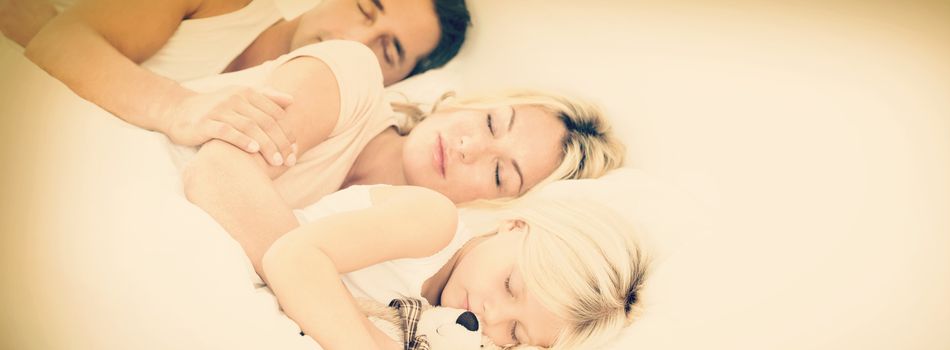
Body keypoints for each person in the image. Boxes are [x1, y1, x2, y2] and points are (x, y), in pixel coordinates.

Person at [177, 40, 626, 277]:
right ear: (466, 102)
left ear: (494, 206)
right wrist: (323, 296)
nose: (470, 147)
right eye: (491, 123)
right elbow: (219, 170)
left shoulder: (393, 253)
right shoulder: (352, 77)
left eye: (498, 172)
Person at [4, 0, 469, 167]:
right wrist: (177, 107)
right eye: (365, 9)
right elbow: (61, 42)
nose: (351, 39)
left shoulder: (313, 135)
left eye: (385, 51)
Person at [264, 188, 651, 350]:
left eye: (515, 333)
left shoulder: (446, 330)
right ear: (513, 227)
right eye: (510, 285)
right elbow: (294, 256)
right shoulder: (434, 223)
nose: (491, 316)